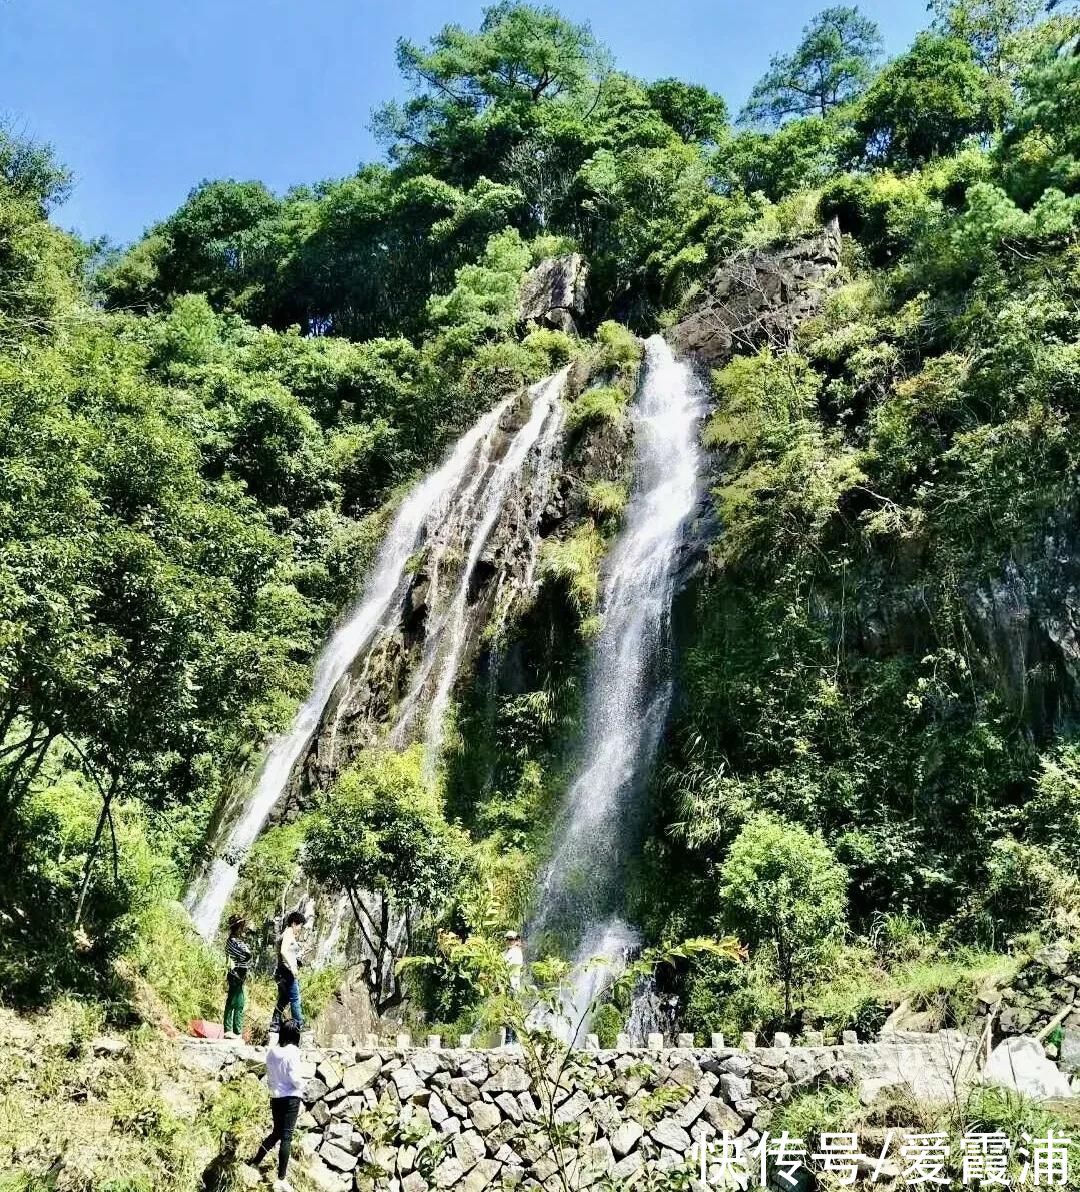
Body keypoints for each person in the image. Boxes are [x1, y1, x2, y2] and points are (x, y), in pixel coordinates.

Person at [249, 1019, 303, 1192]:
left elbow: (270, 1076)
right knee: (287, 1137)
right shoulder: (293, 1052)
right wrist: (302, 1085)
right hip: (291, 1098)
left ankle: (255, 1162)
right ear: (296, 1035)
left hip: (276, 1097)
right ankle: (281, 1179)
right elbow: (295, 1078)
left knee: (276, 1133)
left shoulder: (272, 1052)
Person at [269, 910, 306, 1036]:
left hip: (281, 971)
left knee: (284, 999)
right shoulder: (289, 933)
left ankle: (274, 1025)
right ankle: (298, 1024)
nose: (300, 929)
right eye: (300, 926)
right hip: (287, 973)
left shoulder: (287, 934)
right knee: (295, 999)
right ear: (294, 923)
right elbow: (284, 951)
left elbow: (288, 953)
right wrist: (293, 968)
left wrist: (298, 959)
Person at [223, 914, 252, 1040]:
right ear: (236, 927)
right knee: (233, 1000)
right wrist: (247, 954)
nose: (243, 928)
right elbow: (245, 955)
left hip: (241, 973)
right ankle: (229, 1029)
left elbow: (247, 954)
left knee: (239, 1002)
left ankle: (236, 1030)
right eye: (241, 926)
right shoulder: (231, 941)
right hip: (235, 973)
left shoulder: (238, 941)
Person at [503, 929, 524, 1045]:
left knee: (513, 1013)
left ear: (516, 940)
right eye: (507, 939)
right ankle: (509, 1040)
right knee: (507, 1013)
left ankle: (513, 1040)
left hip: (513, 985)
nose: (509, 941)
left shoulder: (516, 952)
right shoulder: (506, 952)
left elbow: (510, 965)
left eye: (511, 939)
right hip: (506, 986)